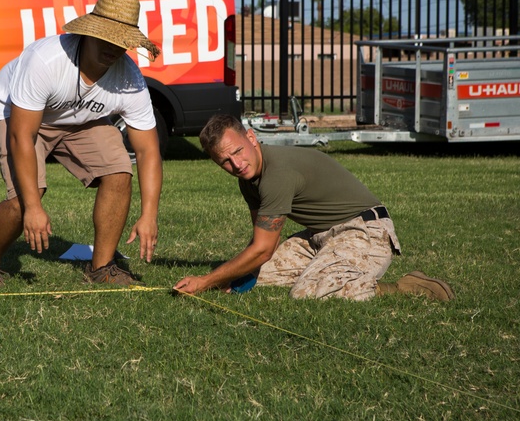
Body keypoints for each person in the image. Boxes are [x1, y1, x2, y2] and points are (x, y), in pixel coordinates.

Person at [0, 0, 164, 287]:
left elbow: (147, 150)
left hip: (79, 119)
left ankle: (101, 268)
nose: (113, 49)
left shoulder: (130, 78)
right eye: (106, 39)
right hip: (18, 116)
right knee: (24, 197)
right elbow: (22, 135)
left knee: (119, 170)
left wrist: (149, 214)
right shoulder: (46, 60)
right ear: (88, 33)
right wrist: (34, 207)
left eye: (121, 42)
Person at [173, 114, 454, 301]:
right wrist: (231, 275)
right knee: (255, 278)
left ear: (251, 137)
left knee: (307, 292)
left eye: (237, 151)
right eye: (225, 161)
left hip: (365, 230)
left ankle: (405, 287)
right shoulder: (248, 179)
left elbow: (263, 249)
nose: (236, 164)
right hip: (321, 236)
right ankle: (328, 267)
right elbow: (259, 240)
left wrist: (206, 280)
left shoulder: (277, 173)